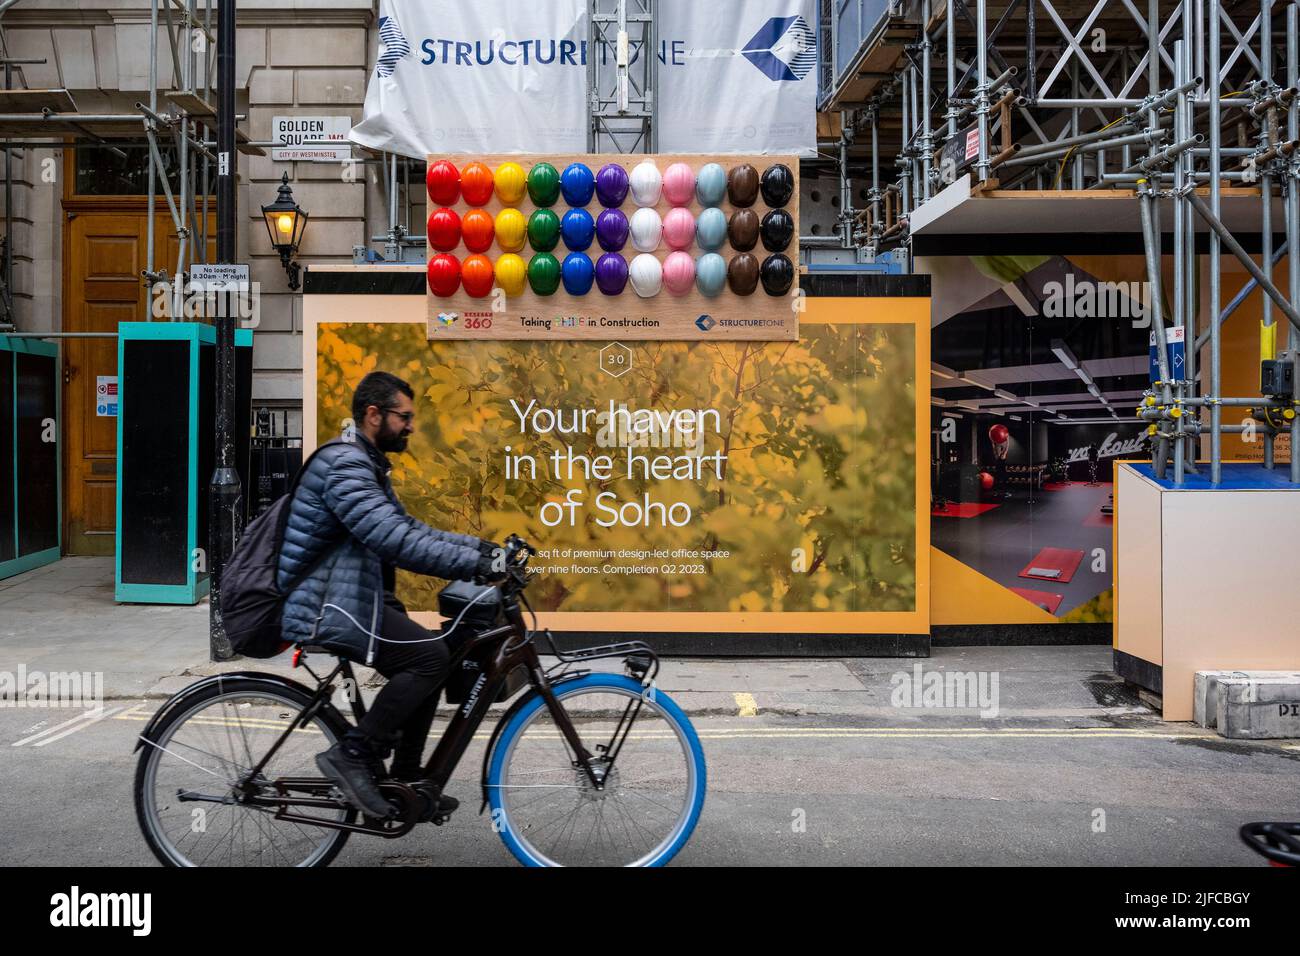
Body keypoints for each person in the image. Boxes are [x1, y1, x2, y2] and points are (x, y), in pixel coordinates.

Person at [276, 371, 502, 819]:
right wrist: (473, 565)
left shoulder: (365, 462)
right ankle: (353, 755)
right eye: (404, 416)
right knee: (429, 659)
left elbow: (410, 529)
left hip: (355, 596)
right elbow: (394, 541)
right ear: (374, 414)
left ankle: (407, 777)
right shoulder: (345, 466)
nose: (411, 426)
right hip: (329, 604)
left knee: (435, 654)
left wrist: (482, 549)